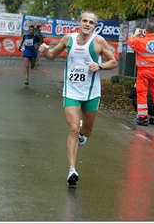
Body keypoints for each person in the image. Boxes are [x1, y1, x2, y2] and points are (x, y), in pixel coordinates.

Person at [38, 11, 117, 185]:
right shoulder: (68, 39)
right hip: (71, 90)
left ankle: (83, 133)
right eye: (84, 21)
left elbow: (113, 61)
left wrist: (100, 65)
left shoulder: (98, 41)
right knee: (73, 128)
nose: (87, 24)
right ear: (79, 23)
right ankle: (72, 170)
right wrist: (45, 51)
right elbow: (52, 56)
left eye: (91, 22)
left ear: (94, 26)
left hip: (91, 92)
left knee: (86, 131)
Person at [127, 22, 154, 127]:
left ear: (145, 30)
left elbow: (130, 42)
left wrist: (136, 34)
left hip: (143, 71)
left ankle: (143, 118)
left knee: (142, 94)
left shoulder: (140, 41)